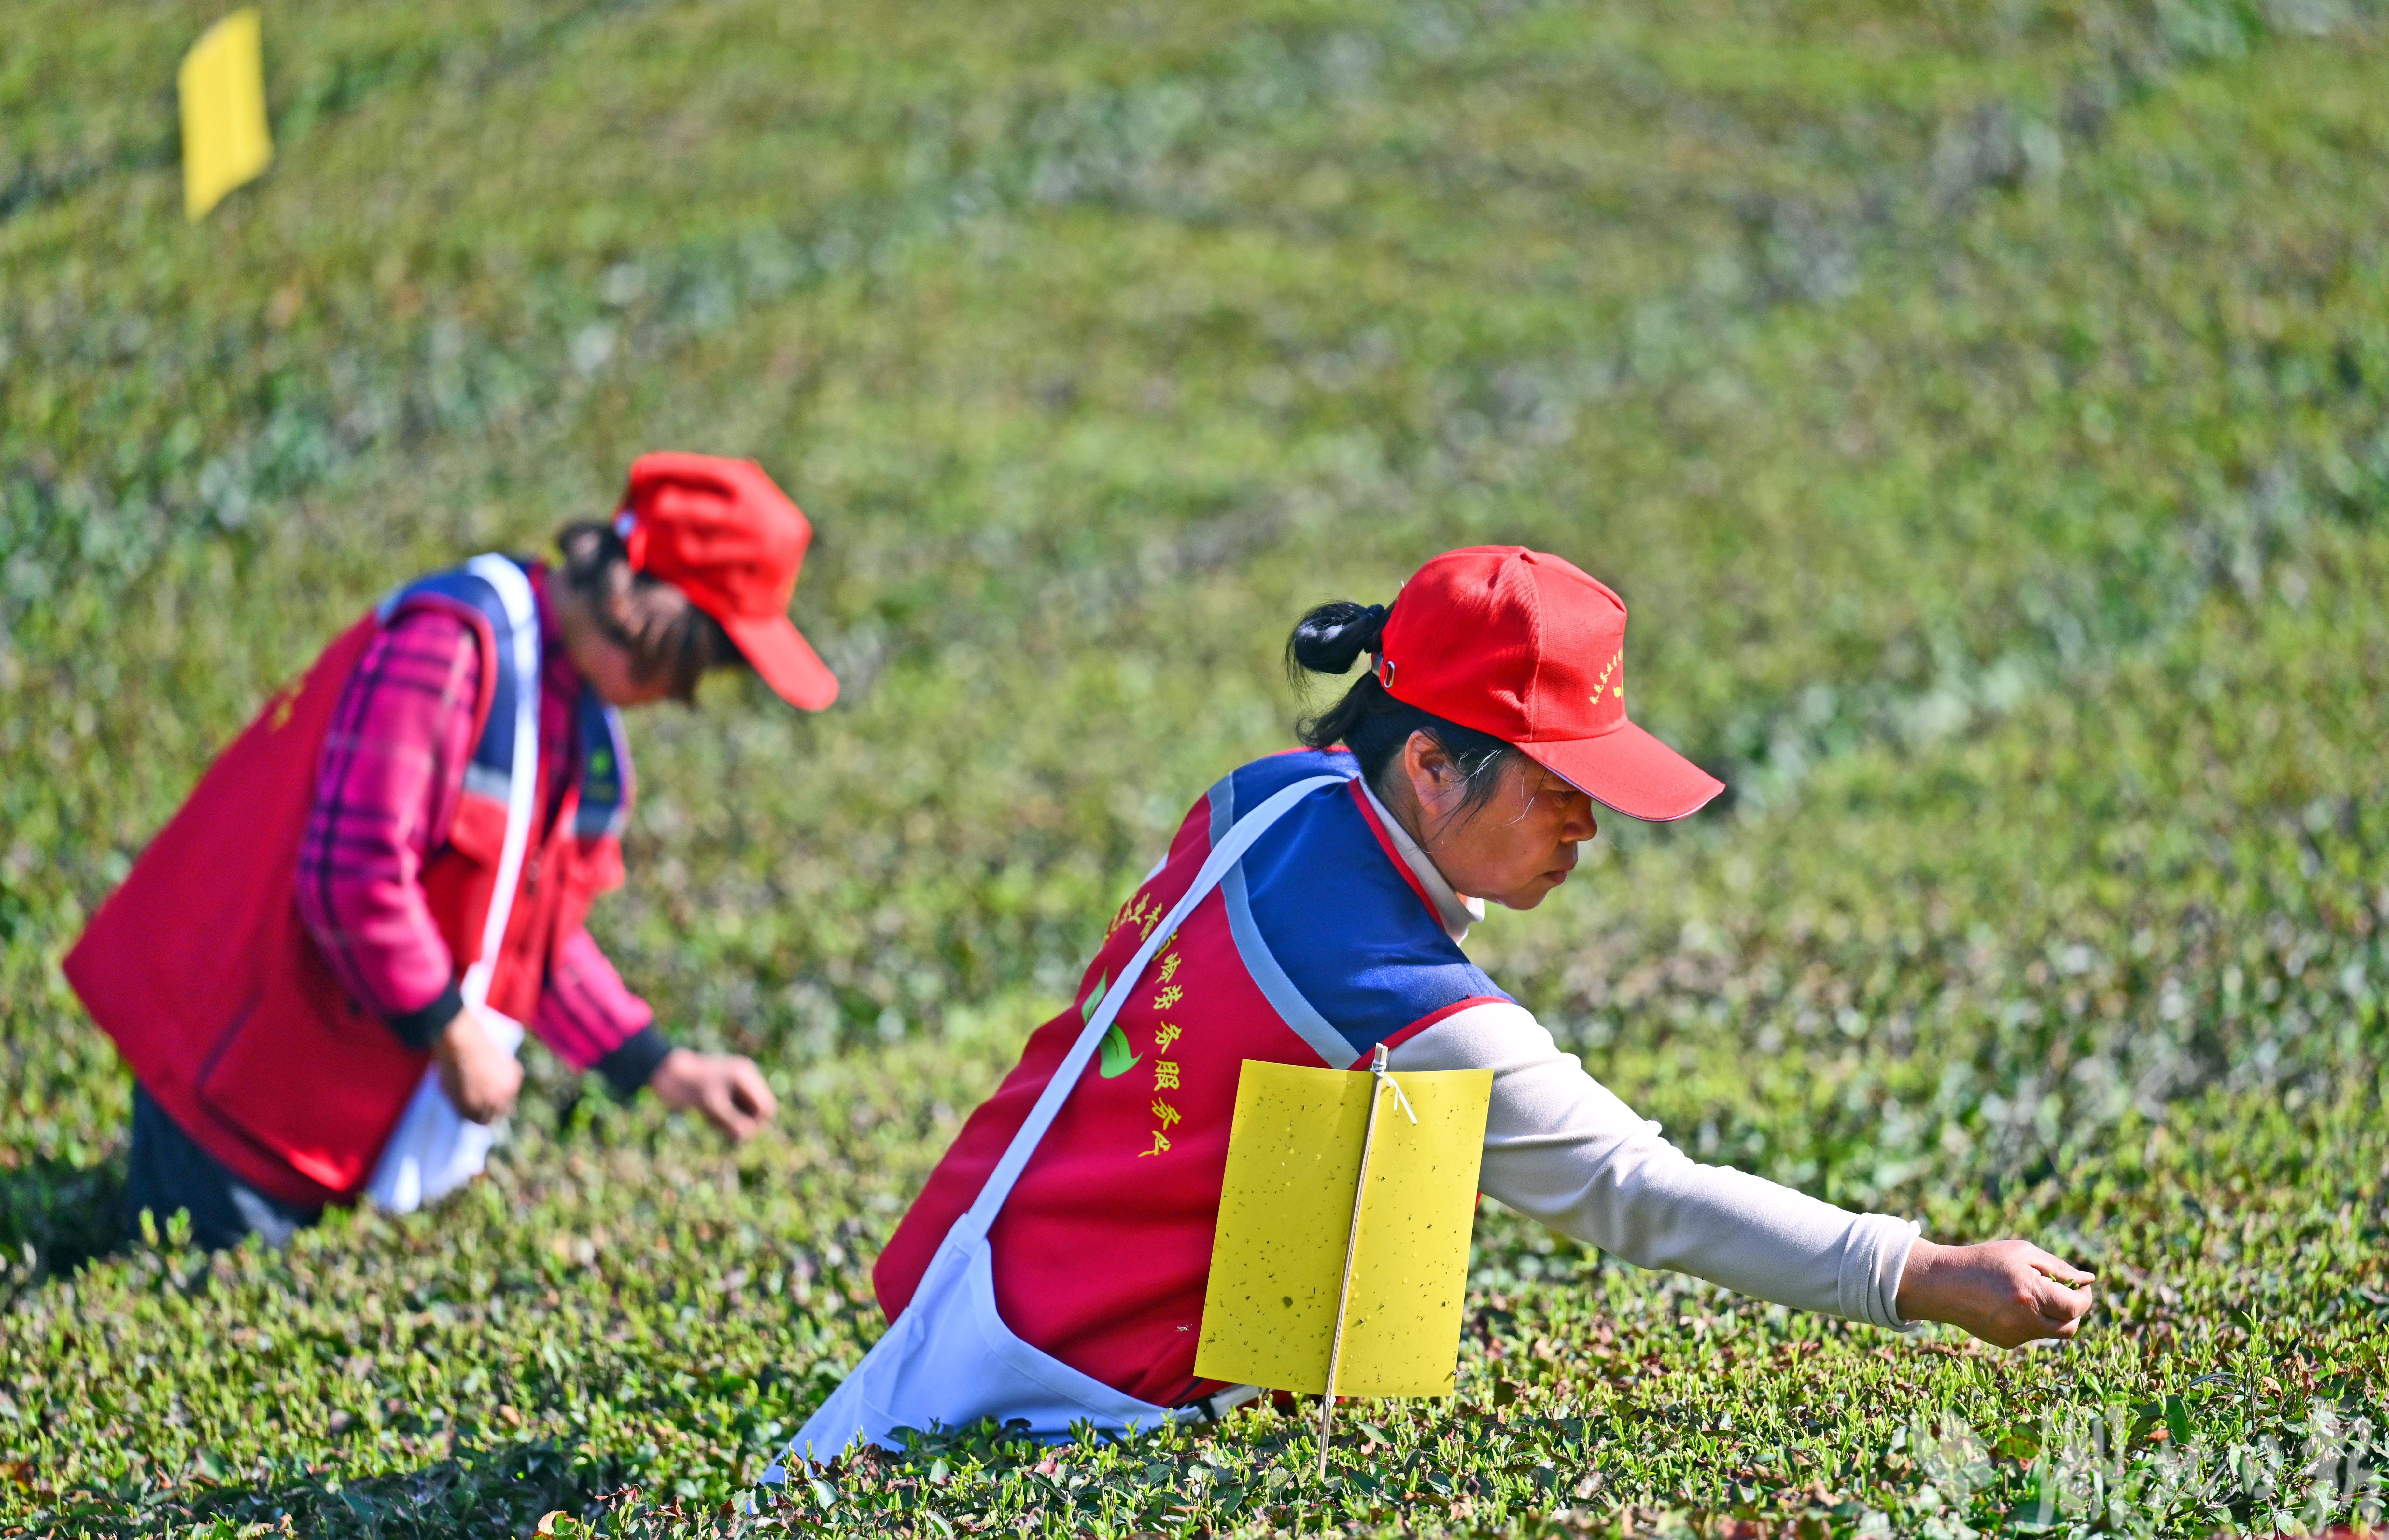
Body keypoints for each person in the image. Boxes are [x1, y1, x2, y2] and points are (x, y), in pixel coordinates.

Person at [776, 544, 2094, 1464]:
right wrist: (1914, 1272)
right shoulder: (1380, 983)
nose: (1587, 823)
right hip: (1054, 1388)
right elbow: (1631, 1187)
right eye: (1554, 786)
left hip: (990, 1265)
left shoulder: (1270, 796)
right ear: (1427, 763)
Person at [67, 454, 838, 1250]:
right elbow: (352, 873)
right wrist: (453, 1031)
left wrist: (659, 1067)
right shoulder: (452, 646)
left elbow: (531, 932)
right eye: (703, 659)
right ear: (646, 615)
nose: (688, 689)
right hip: (244, 1102)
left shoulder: (575, 713)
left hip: (345, 1124)